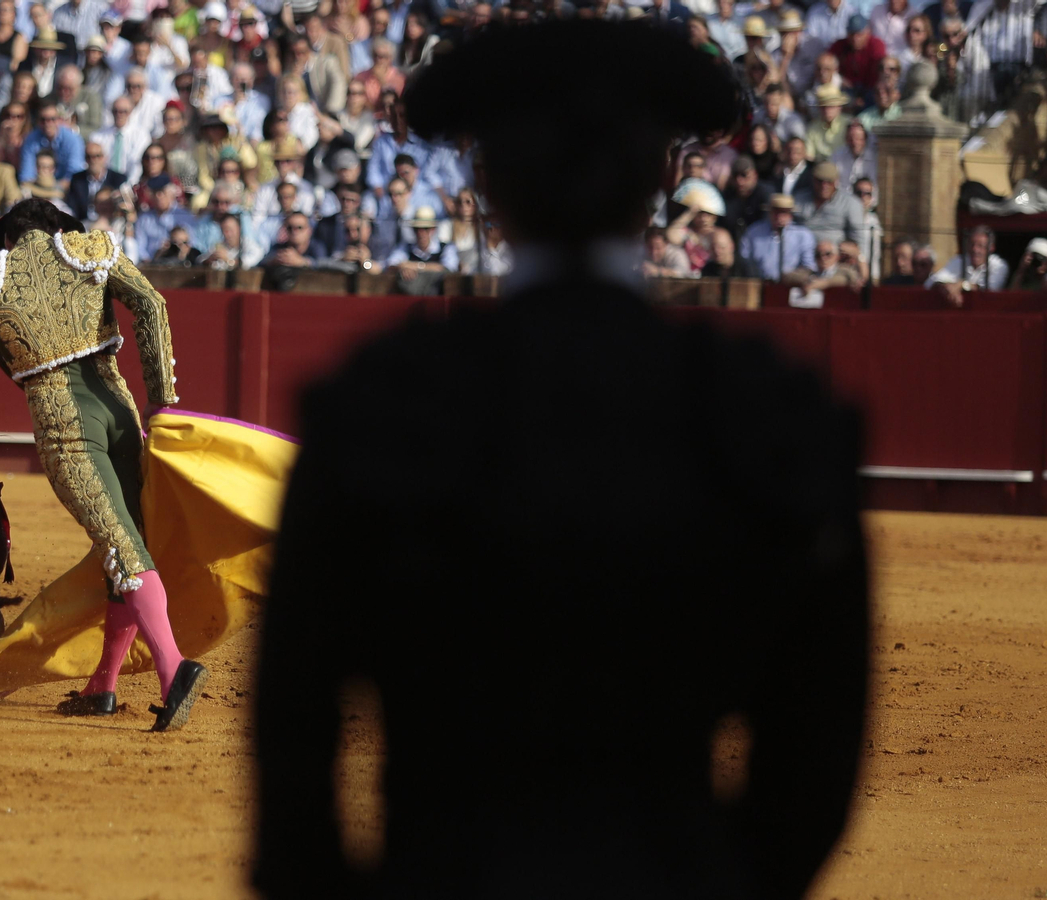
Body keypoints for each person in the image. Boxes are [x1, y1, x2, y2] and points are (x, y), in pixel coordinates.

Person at [256, 20, 868, 900]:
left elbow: (295, 726)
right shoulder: (757, 412)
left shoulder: (388, 405)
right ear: (663, 181)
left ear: (488, 184)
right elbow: (814, 756)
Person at [0, 197, 205, 732]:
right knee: (128, 538)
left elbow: (13, 365)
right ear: (57, 228)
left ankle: (173, 670)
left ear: (8, 237)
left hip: (65, 423)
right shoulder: (89, 249)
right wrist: (162, 402)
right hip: (118, 407)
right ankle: (103, 685)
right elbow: (152, 305)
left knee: (120, 546)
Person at [926, 225, 1008, 303]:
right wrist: (946, 287)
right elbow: (930, 282)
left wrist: (961, 285)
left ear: (991, 248)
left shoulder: (999, 265)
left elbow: (990, 288)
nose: (975, 249)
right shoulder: (959, 260)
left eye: (980, 246)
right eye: (972, 244)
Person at [794, 161, 864, 245]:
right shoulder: (799, 199)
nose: (824, 186)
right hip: (803, 251)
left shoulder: (850, 203)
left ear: (836, 181)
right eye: (820, 181)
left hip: (834, 254)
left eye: (829, 182)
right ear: (813, 180)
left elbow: (859, 236)